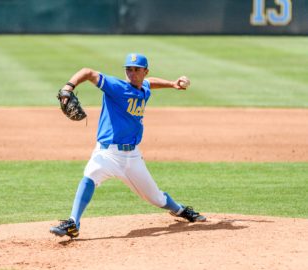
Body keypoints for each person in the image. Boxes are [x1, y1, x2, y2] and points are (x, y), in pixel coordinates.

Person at [50, 53, 206, 238]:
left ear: (145, 71)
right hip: (107, 153)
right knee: (90, 175)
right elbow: (88, 72)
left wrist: (172, 84)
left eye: (136, 70)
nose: (132, 73)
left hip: (132, 158)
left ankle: (180, 210)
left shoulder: (143, 88)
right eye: (128, 69)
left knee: (155, 197)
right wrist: (68, 88)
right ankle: (73, 223)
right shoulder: (116, 87)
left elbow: (149, 83)